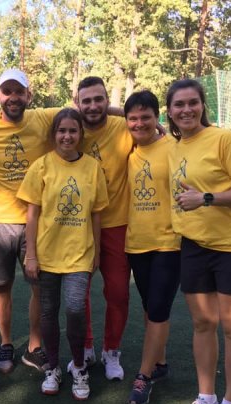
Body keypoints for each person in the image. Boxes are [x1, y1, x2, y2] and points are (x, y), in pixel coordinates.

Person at [166, 79, 231, 404]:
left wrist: (206, 198)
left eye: (192, 102)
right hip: (194, 247)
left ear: (203, 105)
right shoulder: (174, 146)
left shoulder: (224, 139)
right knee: (203, 324)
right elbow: (134, 120)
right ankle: (206, 398)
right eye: (178, 104)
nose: (186, 110)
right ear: (169, 112)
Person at [0, 69, 61, 374]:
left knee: (39, 287)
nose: (13, 97)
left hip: (36, 221)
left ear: (29, 95)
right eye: (7, 91)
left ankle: (34, 346)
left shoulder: (43, 118)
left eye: (19, 91)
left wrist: (134, 115)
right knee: (2, 285)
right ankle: (5, 343)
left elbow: (87, 108)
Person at [17, 108, 108, 400]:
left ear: (81, 134)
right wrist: (31, 255)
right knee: (48, 311)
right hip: (46, 255)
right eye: (61, 131)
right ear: (54, 134)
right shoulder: (41, 166)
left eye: (72, 131)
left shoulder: (92, 167)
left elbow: (96, 214)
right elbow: (32, 216)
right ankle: (53, 367)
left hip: (80, 254)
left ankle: (79, 366)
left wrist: (97, 251)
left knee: (75, 309)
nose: (67, 136)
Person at [75, 77, 134, 381]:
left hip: (117, 225)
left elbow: (144, 117)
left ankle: (112, 350)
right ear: (77, 103)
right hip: (78, 226)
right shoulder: (71, 128)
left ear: (107, 101)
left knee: (118, 293)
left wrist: (117, 111)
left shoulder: (123, 126)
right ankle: (85, 346)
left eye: (99, 99)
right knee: (78, 293)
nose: (93, 106)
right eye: (86, 101)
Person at [123, 90, 180, 404]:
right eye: (133, 118)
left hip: (169, 243)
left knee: (158, 309)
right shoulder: (130, 150)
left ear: (158, 118)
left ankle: (143, 377)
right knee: (149, 307)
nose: (139, 123)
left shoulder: (173, 147)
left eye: (146, 117)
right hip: (137, 243)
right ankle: (160, 363)